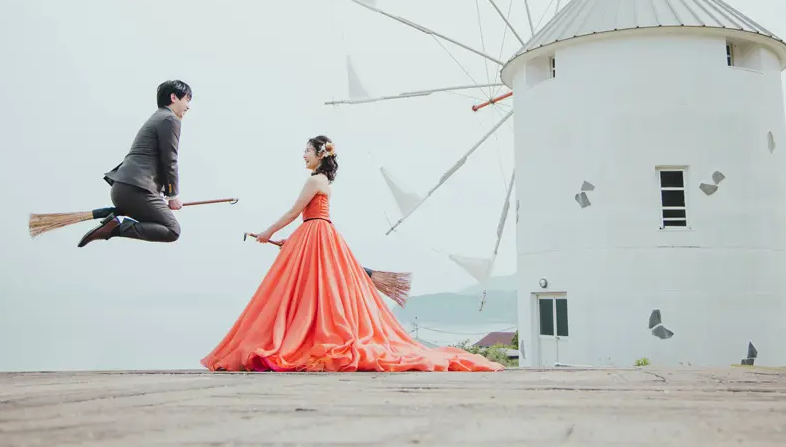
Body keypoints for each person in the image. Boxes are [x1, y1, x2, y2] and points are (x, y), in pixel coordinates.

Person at [200, 135, 505, 372]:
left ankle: (310, 336)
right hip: (315, 232)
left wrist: (268, 232)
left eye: (307, 149)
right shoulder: (323, 181)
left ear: (321, 153)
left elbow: (296, 211)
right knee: (320, 289)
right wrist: (286, 241)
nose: (303, 154)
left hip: (315, 231)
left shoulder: (315, 180)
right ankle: (315, 334)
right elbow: (307, 217)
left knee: (311, 291)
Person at [78, 80, 192, 247]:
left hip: (124, 189)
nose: (188, 106)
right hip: (136, 189)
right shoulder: (169, 119)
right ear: (174, 97)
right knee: (173, 230)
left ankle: (115, 224)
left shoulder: (157, 117)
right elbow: (170, 160)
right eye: (187, 99)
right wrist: (173, 196)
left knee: (166, 225)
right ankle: (115, 228)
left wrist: (162, 195)